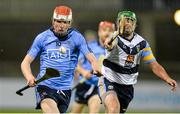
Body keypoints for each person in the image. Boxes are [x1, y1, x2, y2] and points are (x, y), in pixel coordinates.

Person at [20, 5, 101, 113]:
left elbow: (91, 58)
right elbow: (25, 63)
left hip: (65, 90)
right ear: (53, 21)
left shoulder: (77, 38)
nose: (62, 25)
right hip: (45, 87)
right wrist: (29, 77)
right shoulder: (42, 38)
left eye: (65, 22)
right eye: (58, 21)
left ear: (69, 23)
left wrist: (95, 66)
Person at [99, 10, 178, 113]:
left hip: (127, 88)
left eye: (130, 21)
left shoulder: (142, 44)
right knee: (113, 108)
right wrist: (109, 44)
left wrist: (167, 78)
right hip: (108, 80)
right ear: (118, 23)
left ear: (135, 24)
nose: (127, 23)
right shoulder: (114, 38)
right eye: (124, 21)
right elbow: (109, 43)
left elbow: (154, 65)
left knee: (114, 111)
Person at [71, 21, 115, 113]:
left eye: (110, 31)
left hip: (99, 87)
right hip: (84, 84)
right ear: (99, 32)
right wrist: (83, 72)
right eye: (104, 30)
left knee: (94, 110)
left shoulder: (116, 51)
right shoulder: (89, 46)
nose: (107, 33)